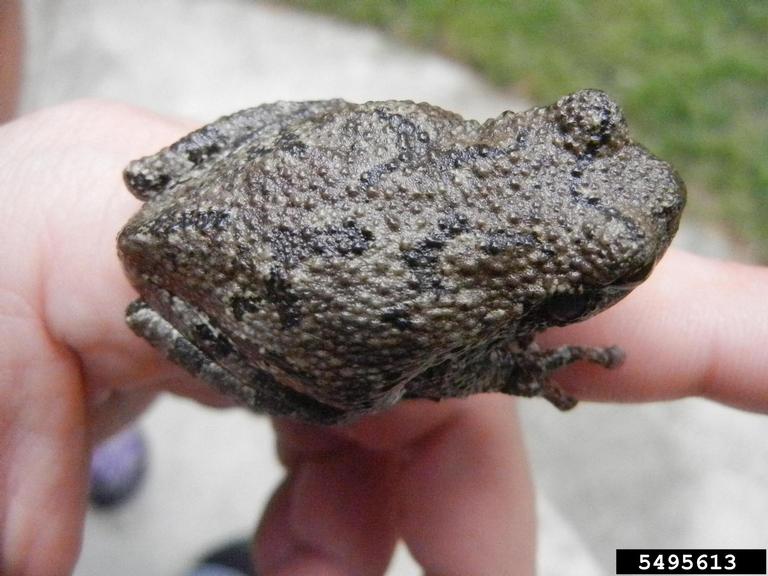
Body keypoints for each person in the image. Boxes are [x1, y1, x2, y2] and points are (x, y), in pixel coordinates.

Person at [1, 99, 767, 576]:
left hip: (250, 202)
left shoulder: (444, 139)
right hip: (240, 271)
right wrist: (520, 371)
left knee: (368, 377)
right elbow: (451, 373)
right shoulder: (484, 318)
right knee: (345, 400)